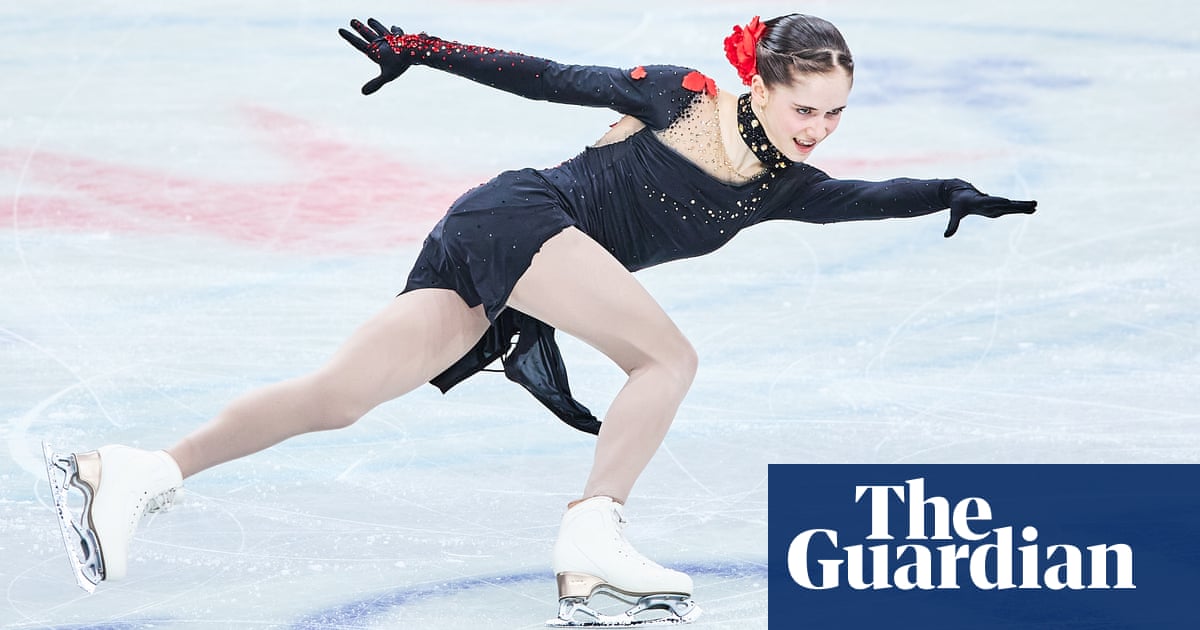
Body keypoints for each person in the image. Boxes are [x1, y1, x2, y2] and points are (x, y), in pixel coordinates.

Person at [43, 13, 1036, 626]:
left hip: (504, 260)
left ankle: (133, 472)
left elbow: (869, 196)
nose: (815, 130)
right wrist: (424, 51)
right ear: (760, 83)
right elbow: (548, 75)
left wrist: (952, 189)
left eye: (834, 116)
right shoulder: (682, 101)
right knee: (667, 360)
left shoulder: (777, 188)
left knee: (338, 399)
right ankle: (593, 538)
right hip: (516, 217)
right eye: (804, 107)